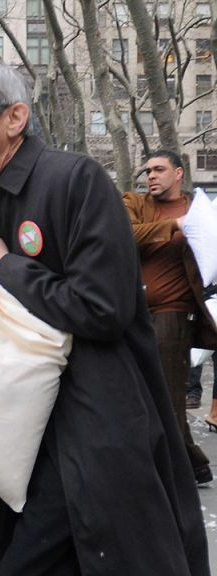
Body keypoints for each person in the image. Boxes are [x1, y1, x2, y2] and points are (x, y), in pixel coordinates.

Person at [0, 58, 208, 575]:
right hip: (12, 441)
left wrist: (5, 264)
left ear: (15, 118)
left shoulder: (76, 181)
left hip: (88, 438)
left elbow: (105, 309)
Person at [123, 151, 217, 485]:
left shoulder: (199, 210)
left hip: (175, 314)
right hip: (131, 313)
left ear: (178, 173)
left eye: (159, 170)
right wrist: (174, 226)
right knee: (143, 393)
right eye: (148, 170)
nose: (151, 176)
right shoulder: (135, 202)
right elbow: (123, 234)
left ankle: (175, 471)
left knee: (165, 393)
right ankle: (193, 466)